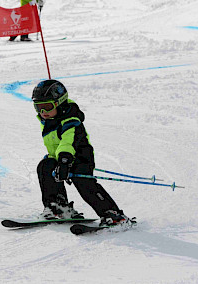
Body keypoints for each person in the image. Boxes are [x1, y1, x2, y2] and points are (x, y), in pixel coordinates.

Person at [32, 79, 132, 226]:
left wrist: (65, 160)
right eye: (38, 107)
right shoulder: (48, 120)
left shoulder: (71, 120)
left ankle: (113, 215)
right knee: (45, 166)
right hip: (61, 158)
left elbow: (67, 142)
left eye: (47, 106)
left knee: (84, 182)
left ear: (60, 102)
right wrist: (56, 161)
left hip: (79, 158)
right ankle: (58, 207)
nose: (43, 112)